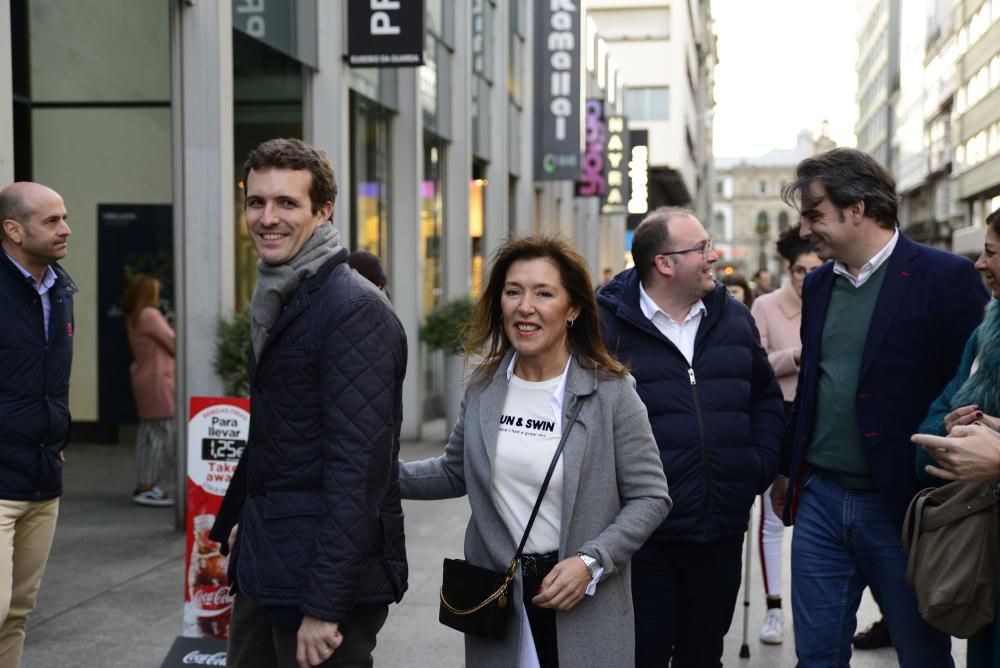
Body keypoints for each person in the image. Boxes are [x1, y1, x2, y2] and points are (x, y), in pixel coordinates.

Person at [400, 236, 671, 668]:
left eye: (543, 293)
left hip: (580, 599)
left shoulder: (611, 392)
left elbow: (652, 496)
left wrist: (591, 561)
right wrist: (371, 470)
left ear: (573, 309)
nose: (525, 306)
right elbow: (454, 472)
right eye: (513, 292)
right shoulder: (485, 388)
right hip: (500, 601)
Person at [773, 148, 988, 667]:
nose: (805, 230)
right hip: (821, 500)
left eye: (815, 214)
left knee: (921, 654)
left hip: (904, 507)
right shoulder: (821, 283)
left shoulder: (946, 277)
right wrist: (787, 470)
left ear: (857, 209)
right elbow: (814, 386)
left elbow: (969, 389)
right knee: (816, 658)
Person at [213, 138, 408, 668]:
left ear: (323, 211)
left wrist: (325, 605)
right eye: (256, 202)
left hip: (323, 583)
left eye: (286, 203)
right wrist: (248, 519)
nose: (267, 218)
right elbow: (283, 430)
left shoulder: (350, 310)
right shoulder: (282, 293)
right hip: (273, 558)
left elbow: (357, 469)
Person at [596, 206, 784, 667]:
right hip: (641, 541)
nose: (713, 256)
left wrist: (755, 465)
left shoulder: (733, 318)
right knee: (644, 656)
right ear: (664, 263)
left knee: (703, 656)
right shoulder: (604, 328)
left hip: (719, 530)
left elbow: (765, 396)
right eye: (700, 248)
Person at [912, 206, 1000, 668]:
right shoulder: (985, 336)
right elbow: (932, 424)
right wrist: (949, 432)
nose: (979, 264)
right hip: (984, 557)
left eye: (990, 252)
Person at [0, 181, 75, 666]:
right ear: (13, 229)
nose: (65, 229)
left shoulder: (60, 290)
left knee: (18, 613)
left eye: (64, 217)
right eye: (51, 221)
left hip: (43, 479)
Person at [748, 225, 823, 645]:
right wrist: (796, 355)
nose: (806, 278)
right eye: (799, 270)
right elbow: (756, 364)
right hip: (777, 414)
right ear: (788, 269)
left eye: (815, 269)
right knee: (773, 516)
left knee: (816, 515)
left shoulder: (834, 301)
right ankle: (774, 606)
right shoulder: (765, 306)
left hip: (820, 417)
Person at [121, 274, 176, 507]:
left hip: (145, 378)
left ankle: (145, 483)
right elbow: (174, 342)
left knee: (148, 434)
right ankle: (148, 486)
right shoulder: (150, 315)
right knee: (161, 433)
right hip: (158, 380)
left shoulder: (135, 315)